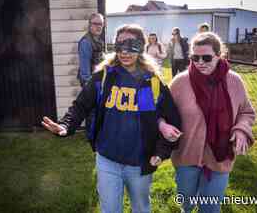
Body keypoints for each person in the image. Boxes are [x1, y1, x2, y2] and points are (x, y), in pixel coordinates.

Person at [42, 24, 181, 213]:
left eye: (131, 46)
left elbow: (172, 120)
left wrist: (161, 152)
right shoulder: (104, 77)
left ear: (141, 47)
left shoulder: (152, 82)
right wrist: (66, 125)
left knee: (141, 208)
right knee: (110, 209)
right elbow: (81, 105)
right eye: (120, 46)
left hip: (140, 163)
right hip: (107, 159)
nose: (125, 52)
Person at [159, 32, 256, 213]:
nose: (200, 62)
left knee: (210, 207)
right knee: (186, 202)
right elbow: (161, 112)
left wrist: (241, 130)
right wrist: (163, 126)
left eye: (206, 57)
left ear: (219, 56)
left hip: (220, 156)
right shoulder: (180, 82)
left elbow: (246, 112)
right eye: (195, 57)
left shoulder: (234, 81)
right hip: (186, 156)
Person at [77, 13, 105, 87]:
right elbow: (85, 73)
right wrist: (90, 88)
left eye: (101, 24)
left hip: (98, 79)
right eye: (95, 24)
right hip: (91, 84)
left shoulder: (99, 41)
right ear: (90, 25)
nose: (99, 26)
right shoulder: (86, 42)